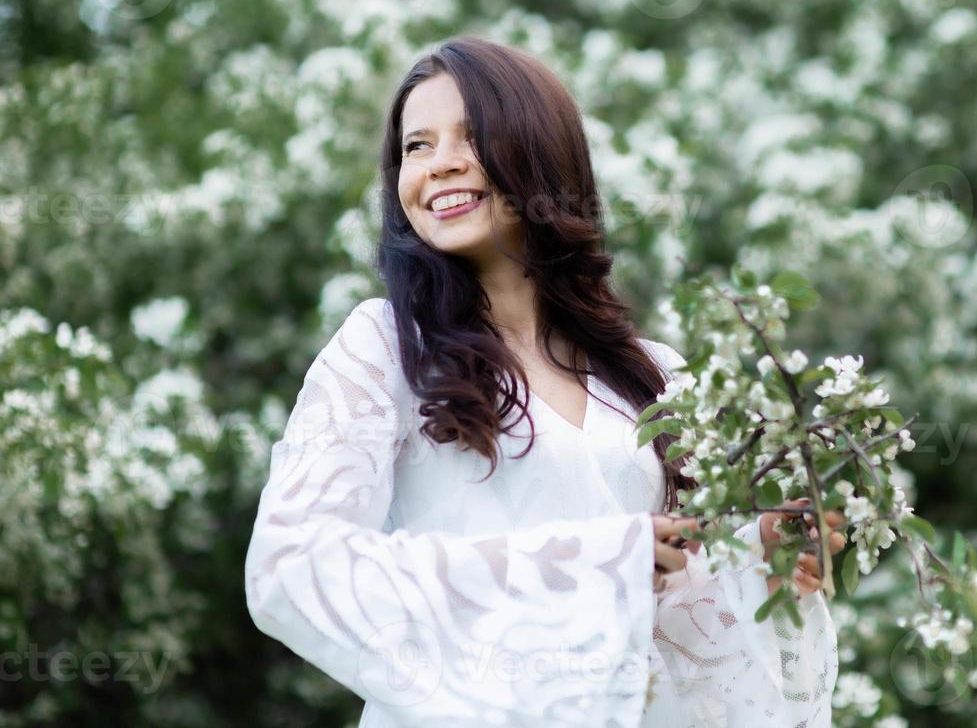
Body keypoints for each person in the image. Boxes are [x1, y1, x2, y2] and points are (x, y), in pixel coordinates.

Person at [243, 37, 847, 727]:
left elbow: (667, 630)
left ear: (539, 152)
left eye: (470, 137)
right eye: (416, 146)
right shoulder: (385, 350)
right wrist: (588, 561)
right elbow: (291, 568)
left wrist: (760, 567)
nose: (439, 165)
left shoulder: (654, 376)